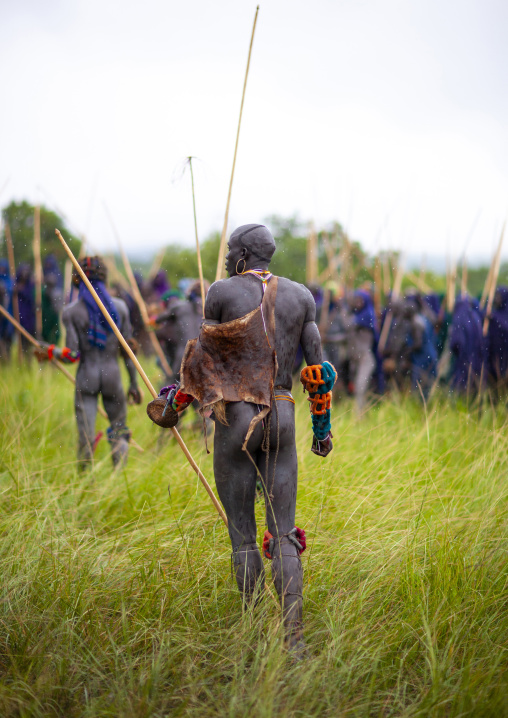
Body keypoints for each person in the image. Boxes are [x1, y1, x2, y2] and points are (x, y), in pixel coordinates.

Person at [149, 224, 334, 653]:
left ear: (243, 255)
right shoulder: (301, 297)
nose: (229, 256)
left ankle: (253, 634)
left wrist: (173, 405)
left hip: (236, 416)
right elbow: (319, 374)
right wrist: (322, 431)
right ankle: (294, 640)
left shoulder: (221, 292)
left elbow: (201, 359)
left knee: (244, 538)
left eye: (232, 250)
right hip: (283, 413)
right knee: (284, 534)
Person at [35, 257, 142, 468]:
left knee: (85, 433)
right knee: (119, 428)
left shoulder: (72, 312)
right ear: (105, 277)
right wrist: (134, 384)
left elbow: (72, 355)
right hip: (113, 377)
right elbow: (127, 352)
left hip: (87, 378)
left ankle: (86, 484)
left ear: (77, 280)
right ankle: (119, 477)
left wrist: (50, 351)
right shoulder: (120, 308)